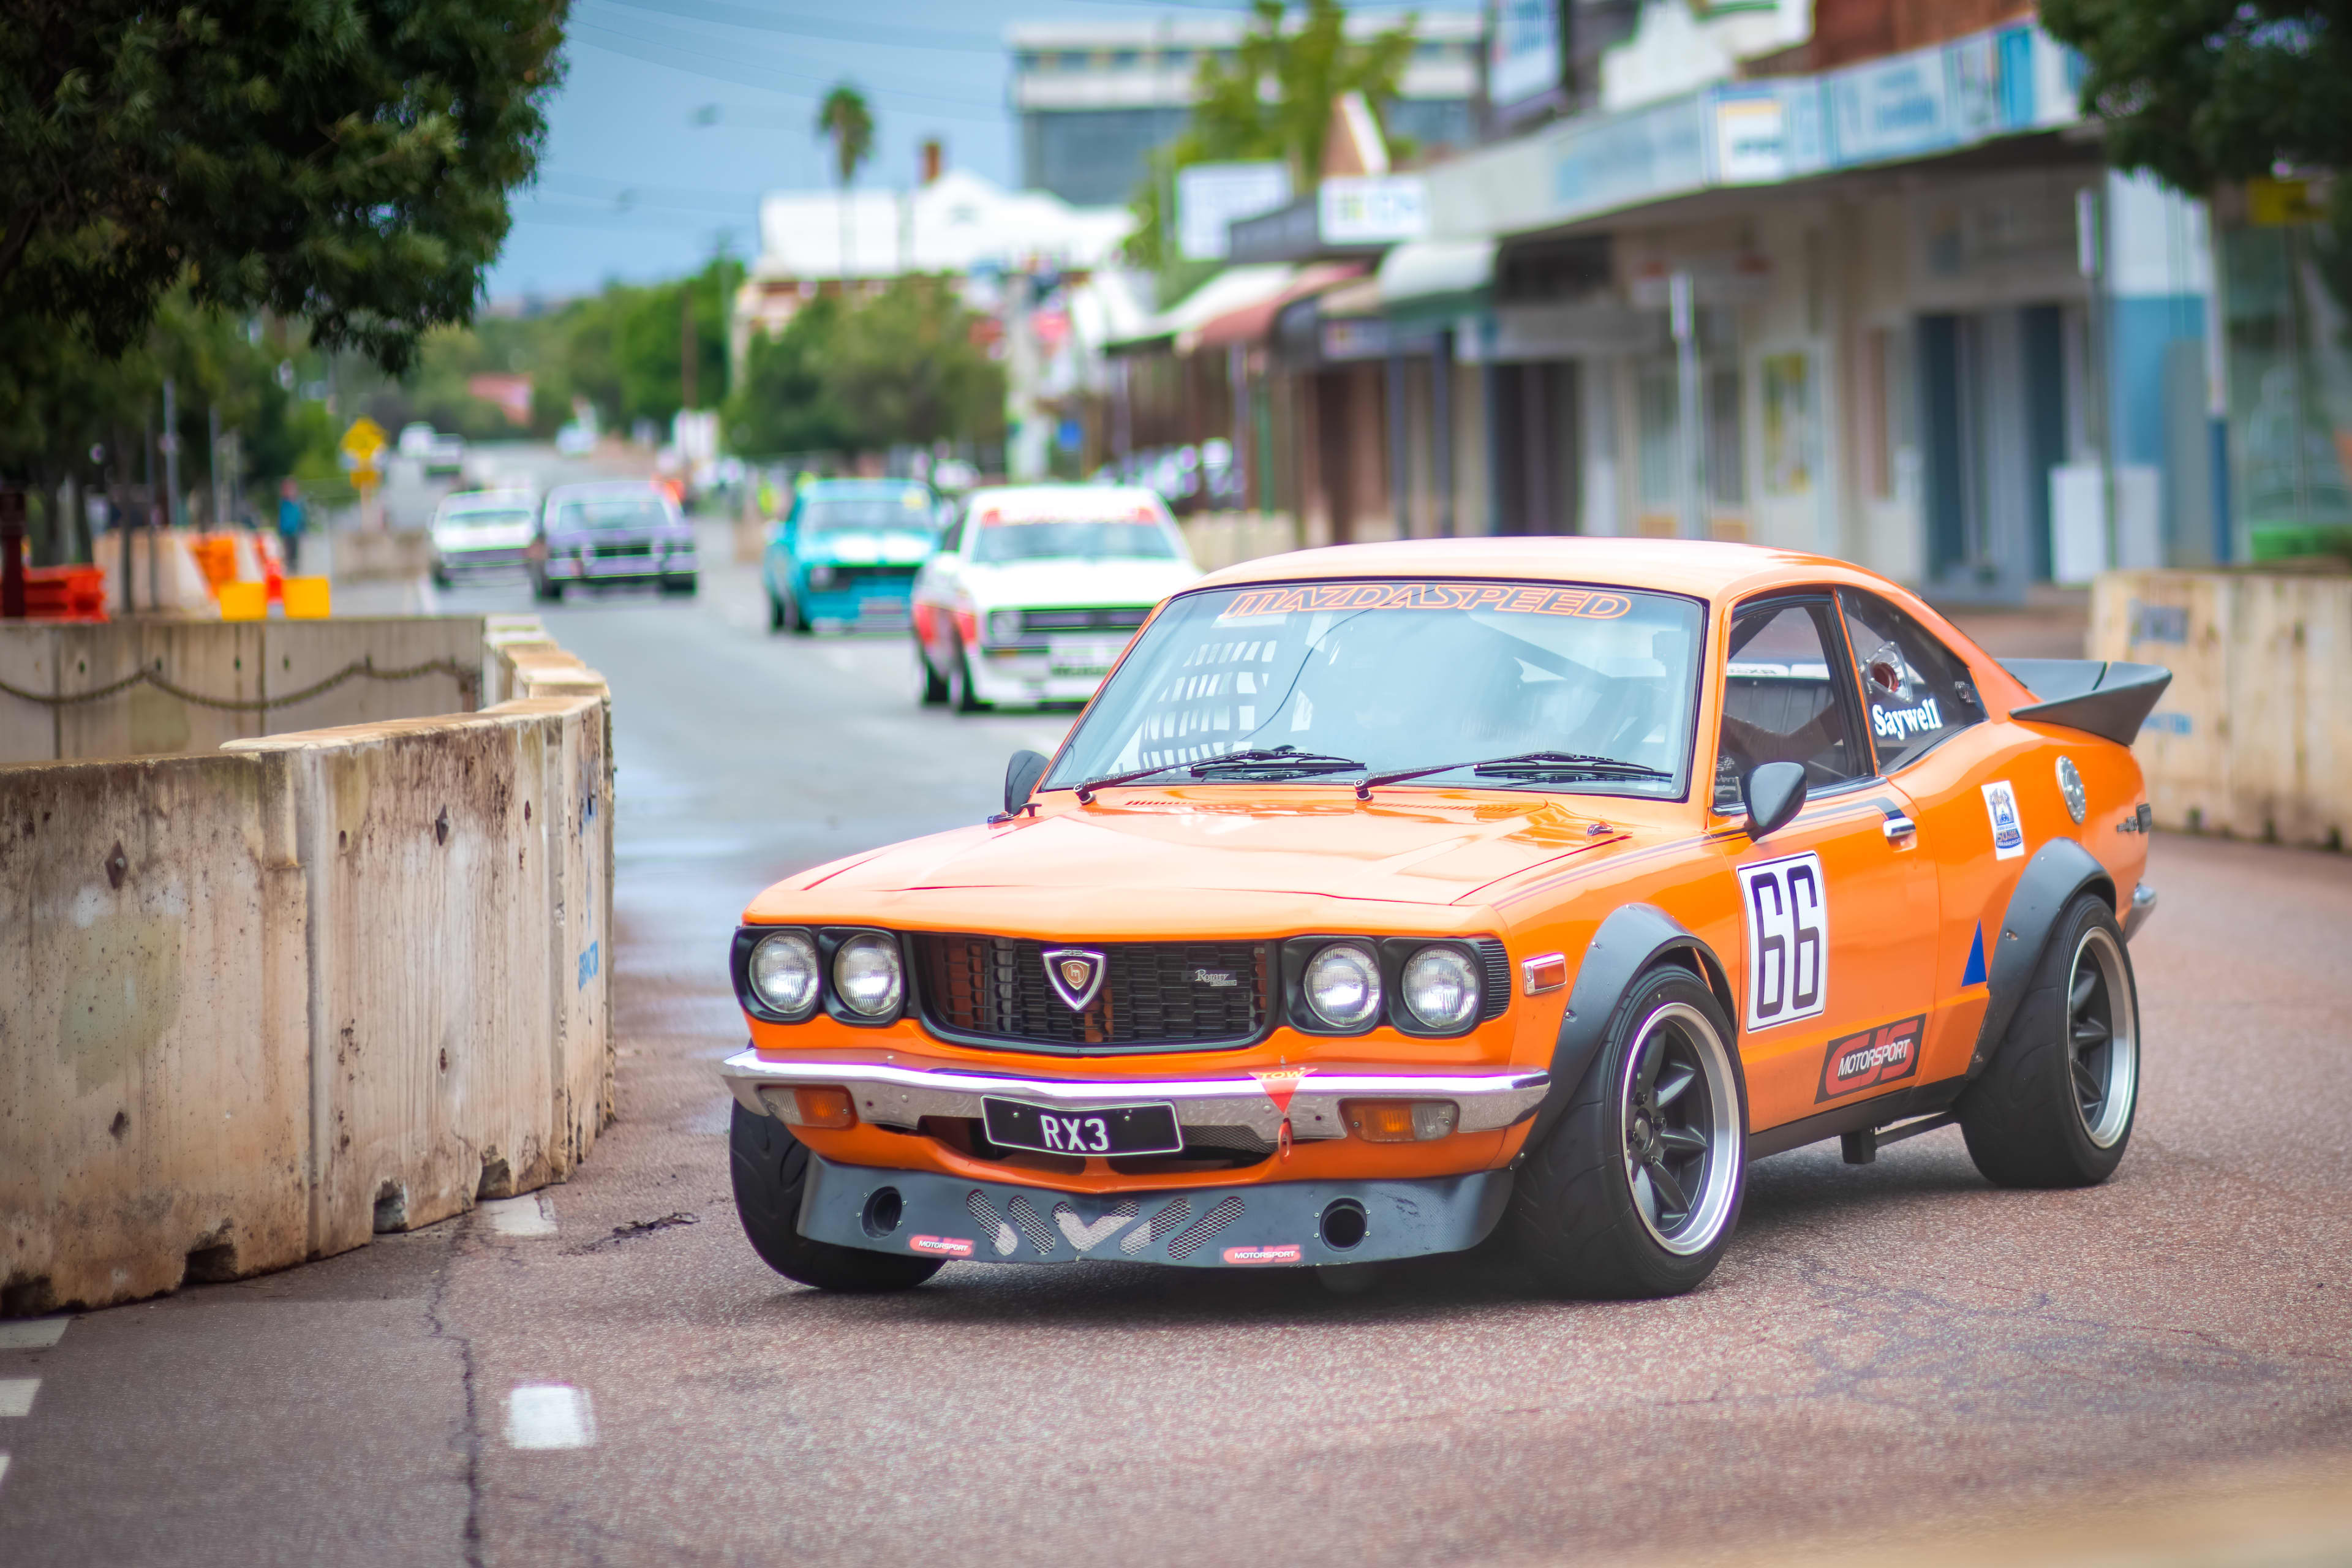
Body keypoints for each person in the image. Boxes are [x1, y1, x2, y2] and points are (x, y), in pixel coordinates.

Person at [276, 480, 306, 571]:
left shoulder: (297, 503)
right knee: (288, 553)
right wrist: (281, 530)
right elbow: (281, 518)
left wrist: (303, 529)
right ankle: (289, 569)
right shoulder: (284, 503)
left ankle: (294, 569)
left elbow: (300, 518)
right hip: (286, 532)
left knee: (295, 553)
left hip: (295, 531)